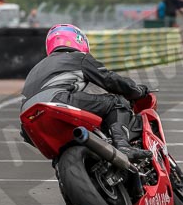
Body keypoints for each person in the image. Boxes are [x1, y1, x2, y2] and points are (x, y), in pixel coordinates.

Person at [20, 24, 153, 161]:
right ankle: (124, 146)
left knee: (58, 156)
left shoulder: (35, 69)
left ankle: (63, 166)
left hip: (27, 119)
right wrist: (137, 91)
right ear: (79, 41)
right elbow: (110, 80)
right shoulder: (78, 57)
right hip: (57, 100)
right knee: (117, 101)